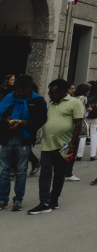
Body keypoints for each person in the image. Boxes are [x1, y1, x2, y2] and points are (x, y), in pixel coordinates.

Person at [30, 79, 83, 214]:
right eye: (49, 92)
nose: (50, 94)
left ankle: (54, 199)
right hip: (47, 144)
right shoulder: (52, 103)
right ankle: (44, 202)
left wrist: (73, 143)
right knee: (45, 173)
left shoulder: (75, 103)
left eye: (52, 92)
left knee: (60, 173)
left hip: (66, 146)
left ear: (62, 92)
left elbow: (78, 124)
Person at [0, 74, 47, 212]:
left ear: (29, 88)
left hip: (23, 139)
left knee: (21, 171)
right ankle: (3, 198)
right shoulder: (9, 97)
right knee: (4, 171)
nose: (20, 94)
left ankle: (18, 199)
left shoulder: (37, 100)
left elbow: (41, 119)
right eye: (18, 91)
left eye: (23, 91)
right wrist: (5, 121)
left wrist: (25, 123)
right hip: (6, 138)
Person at [77, 80, 97, 161]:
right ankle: (93, 155)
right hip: (94, 117)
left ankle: (79, 155)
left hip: (85, 117)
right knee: (94, 135)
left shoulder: (83, 96)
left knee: (83, 136)